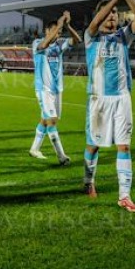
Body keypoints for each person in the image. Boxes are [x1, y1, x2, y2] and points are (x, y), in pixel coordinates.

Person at [83, 0, 135, 213]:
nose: (112, 18)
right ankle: (89, 181)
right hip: (98, 100)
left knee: (124, 146)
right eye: (108, 15)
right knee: (93, 146)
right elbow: (92, 24)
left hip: (122, 99)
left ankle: (124, 195)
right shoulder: (91, 38)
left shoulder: (123, 37)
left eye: (115, 15)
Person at [28, 10, 82, 164]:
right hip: (43, 89)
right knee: (51, 120)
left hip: (57, 89)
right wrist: (58, 26)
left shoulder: (59, 44)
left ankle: (34, 148)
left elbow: (77, 40)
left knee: (47, 120)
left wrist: (68, 25)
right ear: (46, 31)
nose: (57, 34)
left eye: (58, 33)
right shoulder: (37, 43)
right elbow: (45, 43)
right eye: (53, 31)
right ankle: (61, 156)